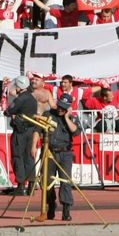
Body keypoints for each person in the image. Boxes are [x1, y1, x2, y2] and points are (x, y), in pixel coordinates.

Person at [44, 93, 79, 221]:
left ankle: (66, 208)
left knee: (65, 181)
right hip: (50, 152)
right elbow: (38, 129)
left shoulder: (71, 118)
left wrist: (67, 117)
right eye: (59, 106)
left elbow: (75, 132)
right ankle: (51, 204)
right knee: (47, 182)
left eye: (63, 108)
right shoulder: (48, 115)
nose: (60, 109)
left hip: (65, 153)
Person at [3, 76, 37, 195]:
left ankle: (20, 186)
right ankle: (31, 186)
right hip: (31, 130)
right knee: (29, 157)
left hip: (20, 131)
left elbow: (7, 111)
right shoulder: (32, 98)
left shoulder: (20, 99)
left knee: (18, 157)